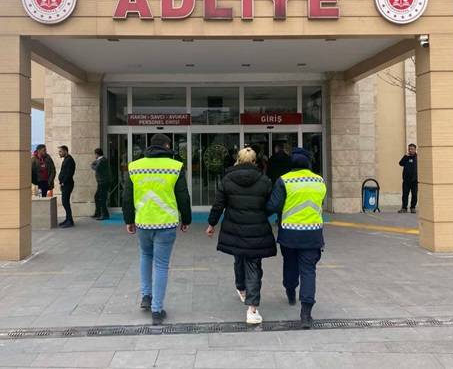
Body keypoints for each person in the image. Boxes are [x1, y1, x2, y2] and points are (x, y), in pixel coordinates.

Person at [122, 134, 192, 325]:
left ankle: (146, 295)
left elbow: (127, 196)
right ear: (167, 145)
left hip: (143, 221)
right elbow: (183, 196)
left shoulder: (134, 166)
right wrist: (186, 219)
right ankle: (157, 310)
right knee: (161, 265)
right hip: (166, 223)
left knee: (145, 255)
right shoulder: (175, 166)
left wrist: (129, 220)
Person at [206, 147, 275, 325]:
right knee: (254, 265)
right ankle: (252, 309)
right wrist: (261, 214)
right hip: (256, 229)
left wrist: (211, 224)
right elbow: (270, 204)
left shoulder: (228, 179)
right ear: (255, 161)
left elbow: (218, 204)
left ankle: (241, 288)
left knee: (239, 257)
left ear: (237, 159)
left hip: (234, 227)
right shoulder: (264, 180)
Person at [266, 147, 326, 329]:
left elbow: (274, 205)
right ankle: (306, 314)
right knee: (308, 271)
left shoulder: (284, 180)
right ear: (308, 162)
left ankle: (290, 289)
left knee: (290, 263)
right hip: (313, 233)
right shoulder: (319, 181)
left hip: (290, 233)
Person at [57, 145, 76, 228]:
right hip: (65, 184)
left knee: (65, 202)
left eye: (60, 151)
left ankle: (70, 220)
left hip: (67, 184)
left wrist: (63, 182)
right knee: (65, 202)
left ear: (65, 151)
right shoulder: (66, 159)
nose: (59, 153)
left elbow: (69, 174)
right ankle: (68, 218)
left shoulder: (69, 160)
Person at [91, 147, 111, 220]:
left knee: (102, 198)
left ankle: (104, 214)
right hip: (102, 182)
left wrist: (92, 165)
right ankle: (98, 212)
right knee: (97, 197)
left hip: (103, 182)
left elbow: (97, 168)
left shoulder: (102, 160)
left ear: (97, 154)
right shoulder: (101, 160)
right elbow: (96, 163)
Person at [398, 143, 418, 214]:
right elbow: (401, 163)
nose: (410, 150)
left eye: (411, 149)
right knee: (405, 194)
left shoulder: (417, 158)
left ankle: (413, 207)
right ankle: (404, 207)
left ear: (415, 149)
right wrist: (405, 156)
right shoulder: (406, 157)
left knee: (414, 194)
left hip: (414, 180)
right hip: (406, 180)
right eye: (409, 149)